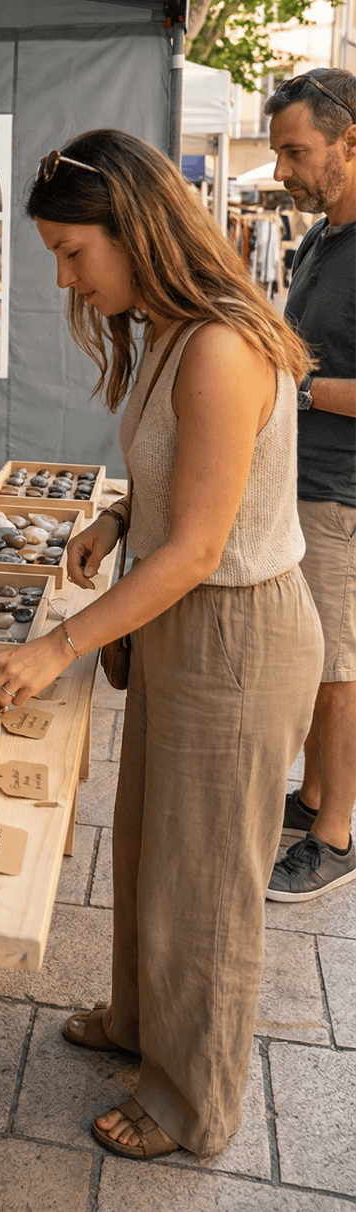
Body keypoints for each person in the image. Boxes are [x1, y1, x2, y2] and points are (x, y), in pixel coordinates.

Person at [0, 130, 322, 1161]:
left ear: (136, 228)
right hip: (187, 621)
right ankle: (137, 1021)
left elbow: (205, 544)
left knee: (207, 881)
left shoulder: (219, 343)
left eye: (73, 252)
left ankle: (191, 1100)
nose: (65, 274)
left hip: (238, 631)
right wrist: (118, 519)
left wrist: (58, 647)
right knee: (150, 846)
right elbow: (187, 485)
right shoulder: (168, 325)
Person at [263, 68, 356, 901]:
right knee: (320, 654)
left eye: (296, 152)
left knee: (338, 665)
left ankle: (335, 835)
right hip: (306, 479)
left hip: (342, 495)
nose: (283, 171)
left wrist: (292, 386)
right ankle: (315, 796)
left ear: (350, 139)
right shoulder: (320, 238)